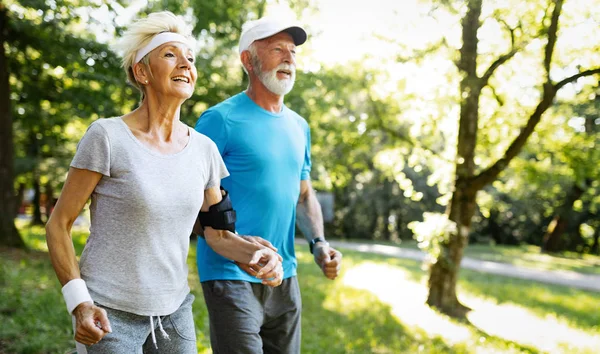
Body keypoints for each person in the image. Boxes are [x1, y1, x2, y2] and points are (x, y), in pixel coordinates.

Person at [45, 11, 282, 354]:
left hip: (174, 312)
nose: (185, 64)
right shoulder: (107, 136)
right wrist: (79, 303)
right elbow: (58, 225)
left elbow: (217, 233)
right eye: (170, 55)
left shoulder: (204, 150)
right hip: (108, 312)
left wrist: (257, 253)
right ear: (141, 72)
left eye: (190, 58)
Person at [194, 16, 343, 353]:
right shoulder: (219, 120)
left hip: (285, 275)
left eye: (292, 52)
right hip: (229, 271)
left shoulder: (299, 126)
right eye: (277, 49)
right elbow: (188, 198)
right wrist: (232, 243)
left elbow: (304, 195)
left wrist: (319, 243)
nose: (289, 58)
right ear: (248, 60)